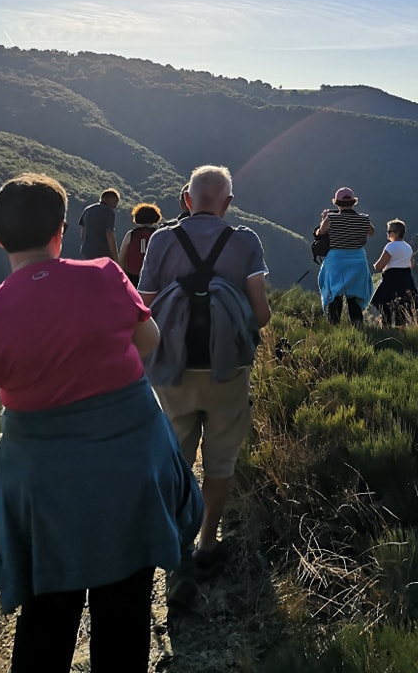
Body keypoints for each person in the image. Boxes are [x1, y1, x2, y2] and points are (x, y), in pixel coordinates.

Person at [0, 173, 202, 673]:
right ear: (62, 231)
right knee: (125, 617)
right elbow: (147, 343)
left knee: (46, 620)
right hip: (131, 477)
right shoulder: (105, 275)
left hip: (44, 492)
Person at [138, 165, 270, 588]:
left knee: (176, 457)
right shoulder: (246, 241)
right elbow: (262, 313)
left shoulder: (161, 239)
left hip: (172, 368)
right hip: (227, 370)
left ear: (185, 199)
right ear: (228, 203)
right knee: (221, 459)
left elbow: (144, 308)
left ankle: (175, 538)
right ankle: (208, 542)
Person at [316, 186, 375, 326]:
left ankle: (334, 326)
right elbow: (371, 232)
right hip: (358, 260)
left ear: (336, 203)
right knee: (354, 297)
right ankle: (357, 326)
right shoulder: (364, 219)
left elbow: (320, 232)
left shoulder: (331, 218)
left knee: (335, 295)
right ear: (354, 202)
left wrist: (324, 218)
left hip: (336, 260)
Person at [371, 218, 418, 326]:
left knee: (382, 303)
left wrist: (377, 266)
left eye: (389, 231)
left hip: (391, 279)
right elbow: (411, 264)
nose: (387, 234)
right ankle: (401, 331)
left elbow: (379, 266)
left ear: (397, 233)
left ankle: (386, 327)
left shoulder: (391, 246)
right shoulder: (408, 247)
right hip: (406, 279)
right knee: (401, 308)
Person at [118, 201, 163, 287]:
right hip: (154, 277)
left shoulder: (131, 234)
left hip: (133, 277)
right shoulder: (158, 234)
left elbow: (122, 259)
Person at [79, 188, 119, 260]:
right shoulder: (109, 212)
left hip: (86, 252)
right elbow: (109, 234)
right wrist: (115, 257)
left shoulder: (87, 210)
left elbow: (83, 234)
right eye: (115, 202)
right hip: (102, 253)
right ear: (108, 200)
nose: (115, 206)